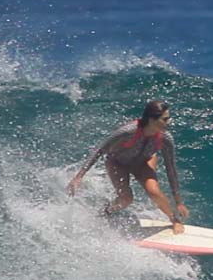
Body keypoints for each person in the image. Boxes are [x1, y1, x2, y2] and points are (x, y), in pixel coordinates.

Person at [67, 100, 189, 234]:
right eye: (165, 119)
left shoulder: (166, 138)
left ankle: (175, 220)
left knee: (154, 191)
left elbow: (171, 169)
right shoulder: (127, 131)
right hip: (118, 163)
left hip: (144, 162)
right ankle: (106, 212)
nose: (169, 122)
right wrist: (79, 177)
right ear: (151, 119)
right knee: (126, 199)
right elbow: (99, 150)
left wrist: (178, 202)